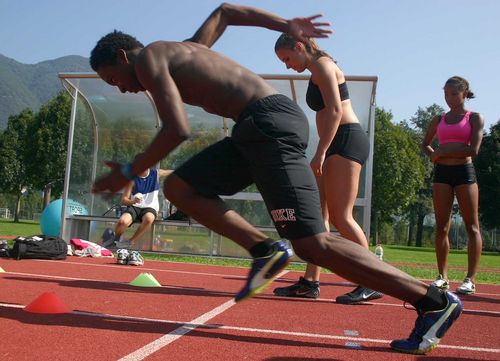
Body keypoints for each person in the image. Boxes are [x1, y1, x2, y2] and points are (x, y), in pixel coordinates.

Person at [90, 3, 462, 354]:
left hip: (267, 124)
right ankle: (265, 249)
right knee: (181, 188)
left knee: (313, 244)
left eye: (113, 79)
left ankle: (433, 301)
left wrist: (129, 169)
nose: (122, 87)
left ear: (123, 57)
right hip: (255, 129)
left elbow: (176, 128)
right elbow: (226, 11)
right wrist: (284, 25)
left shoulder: (150, 59)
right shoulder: (183, 51)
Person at [271, 32, 383, 304]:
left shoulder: (322, 65)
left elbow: (334, 110)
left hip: (345, 140)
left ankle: (372, 279)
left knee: (342, 216)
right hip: (334, 143)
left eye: (287, 58)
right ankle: (311, 282)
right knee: (319, 215)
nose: (287, 65)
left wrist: (320, 152)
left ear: (300, 47)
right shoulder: (316, 68)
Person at [422, 76, 484, 295]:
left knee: (472, 226)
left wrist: (444, 151)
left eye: (454, 94)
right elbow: (425, 144)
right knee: (441, 227)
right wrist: (433, 156)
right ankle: (442, 277)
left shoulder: (474, 118)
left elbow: (473, 150)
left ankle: (470, 279)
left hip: (464, 172)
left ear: (464, 93)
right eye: (446, 94)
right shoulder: (438, 119)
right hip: (442, 174)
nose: (449, 98)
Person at [104, 163, 172, 266]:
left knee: (149, 218)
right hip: (135, 207)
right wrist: (133, 201)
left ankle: (130, 242)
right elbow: (124, 200)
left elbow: (168, 172)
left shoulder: (155, 173)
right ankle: (116, 240)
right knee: (123, 221)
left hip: (150, 208)